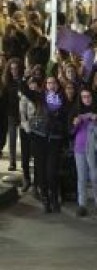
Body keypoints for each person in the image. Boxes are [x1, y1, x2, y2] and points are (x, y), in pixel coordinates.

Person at [20, 76, 68, 213]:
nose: (51, 85)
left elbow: (66, 118)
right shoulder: (40, 96)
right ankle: (45, 198)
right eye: (48, 82)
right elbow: (23, 89)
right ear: (45, 85)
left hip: (54, 138)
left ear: (58, 85)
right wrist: (28, 75)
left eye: (53, 82)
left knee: (51, 171)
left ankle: (53, 197)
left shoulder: (62, 99)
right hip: (39, 136)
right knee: (40, 170)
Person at [70, 86, 97, 217]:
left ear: (93, 96)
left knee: (96, 177)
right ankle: (82, 204)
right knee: (81, 177)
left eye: (88, 96)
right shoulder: (75, 109)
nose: (86, 100)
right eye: (83, 97)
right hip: (80, 148)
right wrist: (75, 123)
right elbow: (69, 131)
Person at [19, 76, 41, 192]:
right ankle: (26, 179)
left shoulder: (41, 96)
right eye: (30, 84)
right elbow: (22, 114)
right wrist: (28, 129)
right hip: (25, 130)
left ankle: (37, 183)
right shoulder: (24, 97)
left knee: (37, 157)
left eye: (35, 83)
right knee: (25, 156)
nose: (33, 85)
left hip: (38, 131)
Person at [2, 57, 24, 171]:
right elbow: (4, 99)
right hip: (11, 113)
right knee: (12, 138)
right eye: (11, 69)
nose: (14, 71)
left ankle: (25, 161)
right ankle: (12, 162)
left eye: (16, 68)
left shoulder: (23, 80)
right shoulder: (7, 82)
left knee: (24, 139)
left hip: (23, 113)